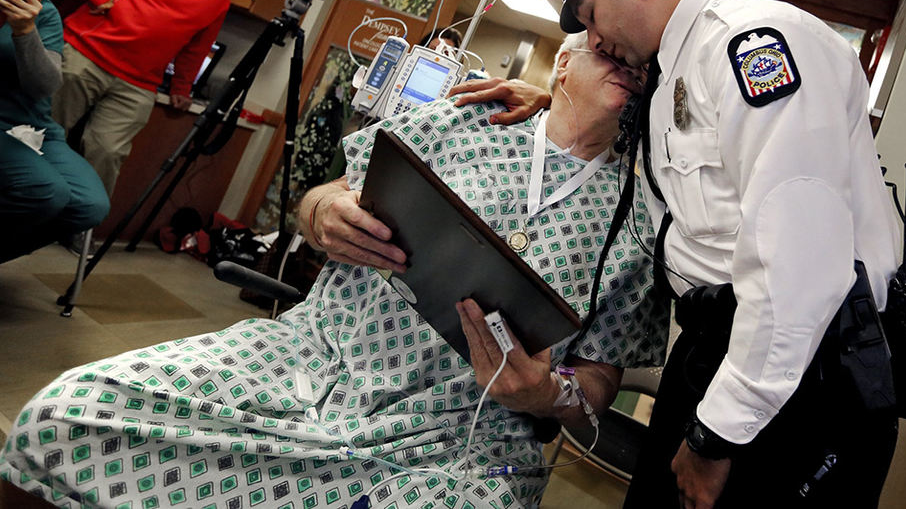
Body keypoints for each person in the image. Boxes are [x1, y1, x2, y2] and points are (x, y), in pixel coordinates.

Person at [0, 33, 669, 507]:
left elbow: (602, 375)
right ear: (561, 65)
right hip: (310, 358)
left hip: (462, 431)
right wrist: (322, 214)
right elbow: (326, 195)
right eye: (609, 46)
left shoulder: (639, 224)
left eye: (642, 61)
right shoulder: (461, 120)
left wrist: (543, 398)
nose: (628, 64)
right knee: (68, 415)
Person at [460, 0, 903, 508]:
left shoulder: (754, 45)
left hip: (793, 372)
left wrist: (715, 437)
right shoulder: (675, 71)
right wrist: (553, 99)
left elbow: (796, 268)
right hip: (716, 351)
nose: (594, 39)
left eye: (590, 16)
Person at [51, 0, 231, 200]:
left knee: (108, 152)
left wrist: (181, 88)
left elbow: (197, 47)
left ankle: (78, 223)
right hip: (87, 55)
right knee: (45, 128)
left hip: (138, 84)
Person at [0, 0, 108, 261]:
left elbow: (45, 85)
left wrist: (25, 30)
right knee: (46, 191)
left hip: (30, 125)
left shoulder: (40, 10)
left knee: (90, 205)